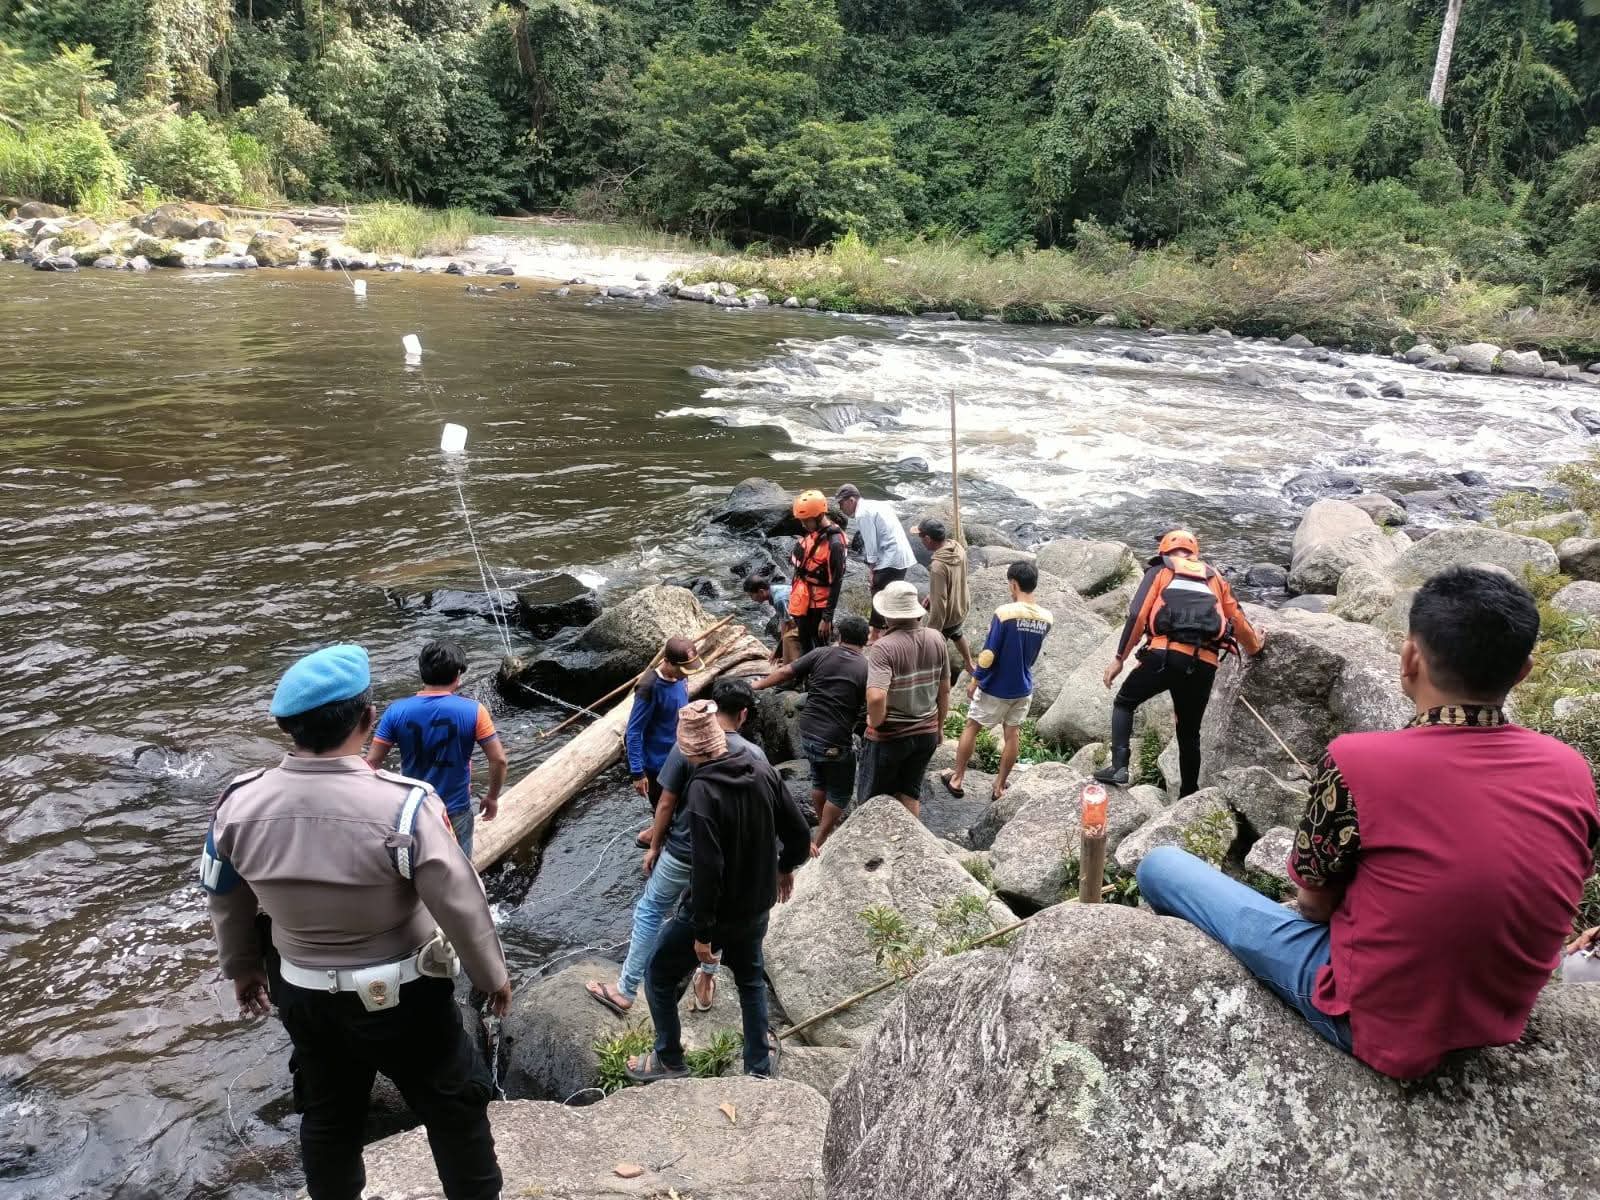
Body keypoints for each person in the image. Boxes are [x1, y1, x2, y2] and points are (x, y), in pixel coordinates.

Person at [1136, 567, 1600, 1080]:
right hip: (1499, 1016)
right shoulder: (1572, 770)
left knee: (1161, 865)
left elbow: (1313, 906)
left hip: (1371, 1019)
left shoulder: (1356, 761)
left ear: (1409, 659)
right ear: (1524, 672)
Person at [202, 644, 511, 1200]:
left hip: (302, 992)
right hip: (407, 998)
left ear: (286, 728)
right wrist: (492, 979)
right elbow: (461, 903)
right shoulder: (407, 806)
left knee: (327, 1118)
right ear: (369, 719)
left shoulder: (235, 803)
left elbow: (225, 900)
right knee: (455, 1109)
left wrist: (243, 969)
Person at [625, 700, 811, 1082]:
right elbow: (799, 834)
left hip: (714, 911)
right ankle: (758, 1065)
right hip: (758, 902)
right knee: (749, 978)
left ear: (689, 752)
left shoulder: (701, 793)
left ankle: (669, 1060)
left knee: (658, 973)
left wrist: (703, 934)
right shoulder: (763, 770)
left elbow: (708, 868)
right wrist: (784, 868)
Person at [584, 678, 767, 1018]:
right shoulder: (754, 754)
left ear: (712, 707)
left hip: (684, 849)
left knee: (651, 910)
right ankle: (706, 979)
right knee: (714, 914)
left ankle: (625, 990)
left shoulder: (687, 746)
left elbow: (666, 803)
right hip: (727, 857)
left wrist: (654, 845)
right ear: (743, 715)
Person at [1094, 529, 1263, 794]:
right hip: (1205, 664)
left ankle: (1118, 767)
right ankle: (1188, 794)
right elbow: (1237, 619)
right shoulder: (1214, 576)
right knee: (1188, 732)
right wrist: (1254, 647)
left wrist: (1119, 659)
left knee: (1125, 703)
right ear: (1195, 553)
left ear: (1164, 551)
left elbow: (1138, 615)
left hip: (1165, 656)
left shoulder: (1160, 571)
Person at [365, 638, 508, 859]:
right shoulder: (474, 711)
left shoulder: (396, 711)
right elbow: (498, 760)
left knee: (417, 864)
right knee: (460, 869)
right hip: (456, 808)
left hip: (413, 808)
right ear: (458, 675)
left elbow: (372, 763)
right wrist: (492, 797)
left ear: (422, 672)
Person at [754, 614, 870, 850]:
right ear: (866, 640)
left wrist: (758, 684)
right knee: (840, 793)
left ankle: (822, 824)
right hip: (834, 738)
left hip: (807, 730)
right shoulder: (865, 667)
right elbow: (869, 703)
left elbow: (787, 672)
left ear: (839, 636)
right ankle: (822, 837)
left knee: (819, 780)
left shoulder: (821, 653)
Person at [939, 561, 1052, 803]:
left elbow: (990, 653)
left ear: (1014, 584)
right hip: (1023, 687)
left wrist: (975, 679)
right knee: (1012, 734)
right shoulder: (1046, 617)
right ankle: (999, 786)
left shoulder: (1004, 613)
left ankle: (957, 778)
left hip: (997, 686)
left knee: (972, 726)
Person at [859, 580, 950, 819]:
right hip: (926, 732)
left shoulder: (883, 647)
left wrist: (875, 722)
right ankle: (913, 845)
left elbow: (876, 695)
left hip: (891, 736)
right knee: (910, 792)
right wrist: (939, 728)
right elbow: (944, 690)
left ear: (888, 616)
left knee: (873, 799)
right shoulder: (936, 639)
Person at [625, 635, 703, 847]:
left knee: (684, 804)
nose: (684, 675)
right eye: (682, 670)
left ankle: (659, 834)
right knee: (664, 807)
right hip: (657, 763)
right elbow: (633, 732)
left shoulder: (680, 678)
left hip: (680, 751)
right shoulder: (649, 688)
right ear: (668, 662)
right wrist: (637, 772)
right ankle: (655, 844)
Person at [835, 484, 916, 641]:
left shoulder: (862, 513)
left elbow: (871, 544)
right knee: (892, 592)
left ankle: (876, 633)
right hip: (901, 554)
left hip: (891, 556)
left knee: (879, 591)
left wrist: (872, 569)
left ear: (851, 500)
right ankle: (891, 628)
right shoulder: (874, 504)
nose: (840, 507)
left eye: (841, 503)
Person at [788, 490, 847, 655]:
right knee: (805, 640)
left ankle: (822, 675)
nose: (803, 525)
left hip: (820, 606)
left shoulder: (835, 544)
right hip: (806, 598)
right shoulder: (816, 534)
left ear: (819, 516)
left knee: (820, 644)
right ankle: (806, 674)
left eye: (806, 521)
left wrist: (827, 618)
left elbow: (837, 581)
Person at [917, 517, 975, 680]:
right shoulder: (958, 548)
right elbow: (956, 578)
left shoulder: (938, 566)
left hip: (948, 615)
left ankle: (938, 680)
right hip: (962, 606)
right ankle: (969, 662)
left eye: (920, 537)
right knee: (957, 633)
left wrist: (932, 631)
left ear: (928, 538)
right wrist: (932, 593)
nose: (920, 541)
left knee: (933, 653)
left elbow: (940, 601)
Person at [743, 574, 799, 664]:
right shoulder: (775, 591)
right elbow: (784, 620)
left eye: (751, 596)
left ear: (761, 592)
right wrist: (779, 648)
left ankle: (792, 666)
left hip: (809, 618)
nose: (752, 599)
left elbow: (791, 625)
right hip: (801, 616)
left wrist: (781, 650)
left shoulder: (779, 599)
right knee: (785, 639)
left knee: (789, 638)